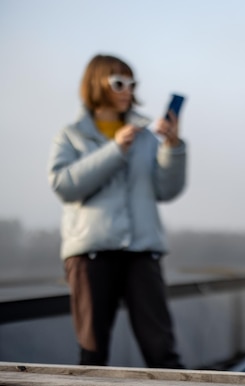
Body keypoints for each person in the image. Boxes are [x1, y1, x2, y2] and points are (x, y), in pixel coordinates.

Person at [47, 54, 186, 368]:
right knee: (92, 354)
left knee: (162, 351)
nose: (127, 90)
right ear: (96, 84)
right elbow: (64, 186)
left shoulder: (147, 135)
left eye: (131, 83)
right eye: (118, 82)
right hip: (91, 253)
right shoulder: (71, 135)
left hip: (142, 252)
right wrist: (115, 149)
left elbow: (167, 190)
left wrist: (173, 148)